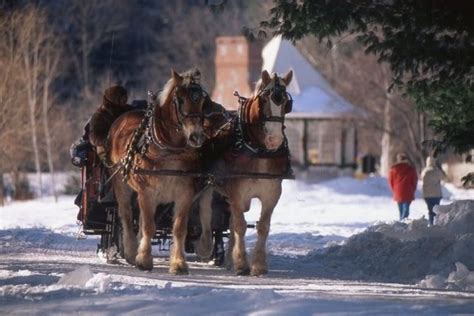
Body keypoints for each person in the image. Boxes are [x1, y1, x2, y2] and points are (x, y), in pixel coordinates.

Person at [89, 85, 134, 160]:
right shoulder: (100, 116)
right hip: (107, 148)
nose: (125, 100)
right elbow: (94, 137)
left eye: (125, 98)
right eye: (122, 98)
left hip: (127, 146)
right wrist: (112, 140)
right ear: (115, 99)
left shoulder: (127, 109)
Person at [388, 152, 418, 220]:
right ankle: (403, 223)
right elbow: (414, 180)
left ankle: (401, 223)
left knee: (401, 210)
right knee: (406, 209)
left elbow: (390, 181)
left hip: (398, 191)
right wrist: (413, 189)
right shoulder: (411, 169)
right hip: (408, 191)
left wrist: (394, 189)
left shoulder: (393, 169)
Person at [421, 156, 445, 225]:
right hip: (436, 194)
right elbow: (444, 178)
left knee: (430, 210)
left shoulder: (424, 171)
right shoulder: (437, 171)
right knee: (436, 210)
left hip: (427, 195)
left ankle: (431, 223)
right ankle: (435, 224)